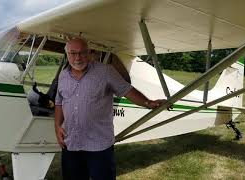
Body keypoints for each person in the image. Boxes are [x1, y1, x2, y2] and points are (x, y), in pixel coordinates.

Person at [54, 38, 166, 180]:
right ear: (67, 54)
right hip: (72, 144)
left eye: (82, 53)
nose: (77, 58)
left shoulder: (105, 71)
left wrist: (147, 102)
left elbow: (127, 90)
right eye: (73, 53)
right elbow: (59, 102)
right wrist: (57, 126)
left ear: (89, 53)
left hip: (99, 146)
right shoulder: (63, 75)